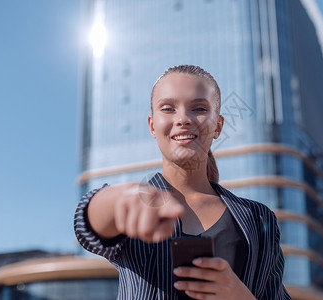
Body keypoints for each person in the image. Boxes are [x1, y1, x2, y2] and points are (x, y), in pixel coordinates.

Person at [74, 65, 292, 300]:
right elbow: (87, 225)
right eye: (168, 108)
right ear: (152, 126)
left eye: (198, 108)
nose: (183, 119)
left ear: (218, 126)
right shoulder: (138, 202)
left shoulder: (259, 219)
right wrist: (116, 201)